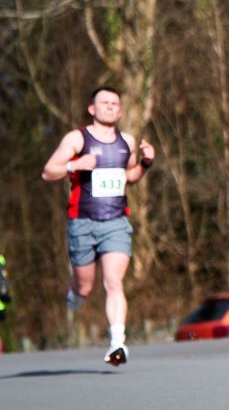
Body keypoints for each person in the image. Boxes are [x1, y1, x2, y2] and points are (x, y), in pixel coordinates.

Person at [40, 86, 157, 366]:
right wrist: (75, 165)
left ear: (120, 110)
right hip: (82, 223)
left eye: (115, 104)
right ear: (92, 109)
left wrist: (146, 164)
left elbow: (129, 177)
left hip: (116, 222)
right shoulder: (77, 138)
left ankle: (118, 343)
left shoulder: (126, 142)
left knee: (114, 282)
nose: (110, 107)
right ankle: (75, 294)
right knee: (85, 285)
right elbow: (47, 172)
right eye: (104, 103)